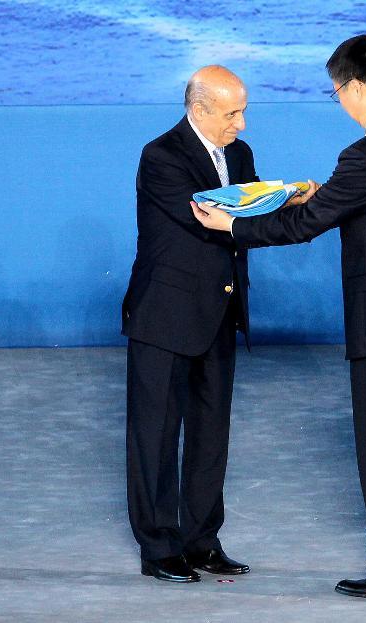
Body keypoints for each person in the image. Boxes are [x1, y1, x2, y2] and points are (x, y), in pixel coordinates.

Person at [193, 34, 366, 599]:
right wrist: (317, 195)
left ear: (356, 86)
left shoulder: (365, 155)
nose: (339, 100)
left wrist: (232, 226)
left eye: (338, 91)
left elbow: (303, 227)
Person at [122, 65, 256, 583]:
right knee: (155, 435)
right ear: (199, 110)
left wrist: (285, 204)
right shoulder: (162, 156)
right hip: (165, 314)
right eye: (231, 113)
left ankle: (201, 539)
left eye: (242, 111)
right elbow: (208, 216)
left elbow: (247, 214)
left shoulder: (239, 155)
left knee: (209, 433)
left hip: (220, 313)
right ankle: (158, 546)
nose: (240, 124)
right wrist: (271, 209)